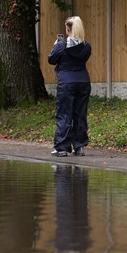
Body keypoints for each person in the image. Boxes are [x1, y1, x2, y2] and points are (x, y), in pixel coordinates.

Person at [48, 16, 92, 157]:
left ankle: (62, 147)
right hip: (83, 81)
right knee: (80, 114)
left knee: (64, 114)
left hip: (67, 82)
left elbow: (51, 59)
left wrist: (56, 46)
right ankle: (79, 146)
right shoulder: (86, 46)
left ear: (68, 29)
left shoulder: (62, 45)